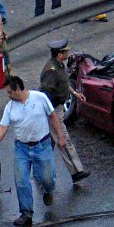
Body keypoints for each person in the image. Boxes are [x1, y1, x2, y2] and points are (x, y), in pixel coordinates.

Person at [0, 75, 67, 227]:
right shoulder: (10, 107)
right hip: (22, 148)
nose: (8, 95)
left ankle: (48, 190)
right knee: (22, 180)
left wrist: (60, 137)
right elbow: (3, 127)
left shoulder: (40, 98)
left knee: (47, 178)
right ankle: (26, 213)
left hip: (42, 145)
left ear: (18, 89)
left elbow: (53, 116)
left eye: (10, 92)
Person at [39, 39, 90, 182]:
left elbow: (64, 83)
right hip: (54, 110)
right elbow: (46, 93)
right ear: (59, 54)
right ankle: (76, 171)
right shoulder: (51, 70)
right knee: (63, 139)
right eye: (65, 51)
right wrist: (51, 114)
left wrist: (75, 93)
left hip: (59, 106)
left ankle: (41, 171)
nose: (68, 53)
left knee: (49, 143)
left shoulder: (59, 65)